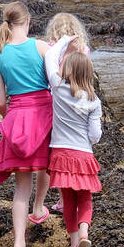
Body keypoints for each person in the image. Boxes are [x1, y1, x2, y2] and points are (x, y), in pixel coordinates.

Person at [0, 1, 53, 247]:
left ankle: (19, 245)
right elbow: (58, 82)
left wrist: (13, 120)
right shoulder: (41, 47)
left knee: (20, 188)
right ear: (27, 21)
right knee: (45, 166)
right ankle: (39, 208)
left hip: (16, 116)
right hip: (43, 114)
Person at [44, 36, 102, 247]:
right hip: (83, 154)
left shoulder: (58, 88)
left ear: (66, 70)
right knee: (85, 199)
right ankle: (85, 232)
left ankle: (74, 244)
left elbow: (50, 56)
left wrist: (65, 40)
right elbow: (95, 135)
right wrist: (88, 141)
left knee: (68, 202)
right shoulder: (93, 100)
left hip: (60, 153)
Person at [44, 13, 91, 211]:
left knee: (57, 155)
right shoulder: (83, 50)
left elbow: (49, 68)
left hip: (56, 104)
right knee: (77, 152)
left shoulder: (51, 50)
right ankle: (78, 196)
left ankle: (63, 200)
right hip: (80, 103)